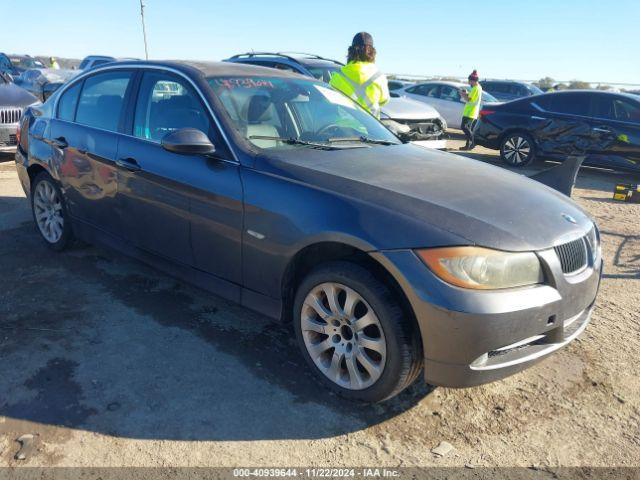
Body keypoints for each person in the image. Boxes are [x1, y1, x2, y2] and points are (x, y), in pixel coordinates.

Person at [329, 32, 389, 119]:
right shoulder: (379, 76)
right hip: (372, 130)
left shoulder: (338, 75)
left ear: (351, 51)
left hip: (343, 129)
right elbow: (384, 100)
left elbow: (330, 103)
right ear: (372, 52)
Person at [459, 69, 482, 150]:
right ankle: (467, 145)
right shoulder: (477, 88)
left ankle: (473, 142)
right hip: (471, 112)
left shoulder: (476, 88)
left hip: (470, 112)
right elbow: (471, 98)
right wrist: (466, 93)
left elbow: (468, 99)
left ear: (473, 81)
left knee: (464, 127)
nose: (469, 83)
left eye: (469, 81)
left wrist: (462, 94)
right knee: (468, 129)